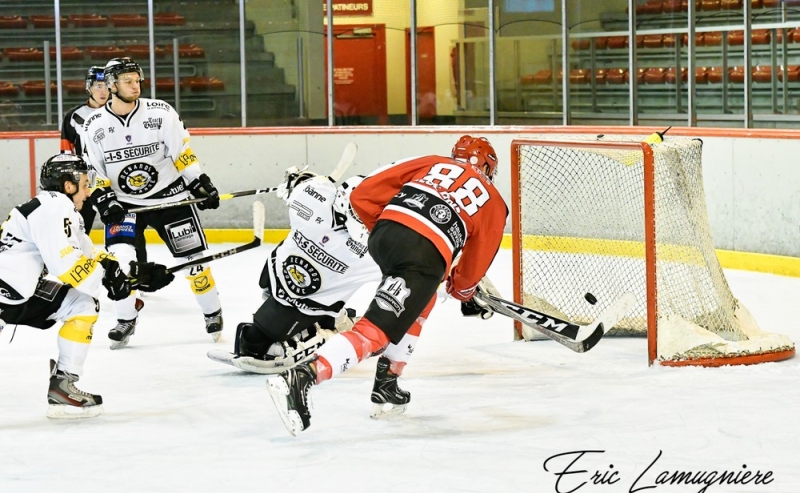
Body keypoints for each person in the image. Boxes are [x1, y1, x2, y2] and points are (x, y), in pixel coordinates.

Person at [266, 135, 508, 435]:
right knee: (374, 334)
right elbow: (476, 262)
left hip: (385, 234)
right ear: (487, 166)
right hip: (422, 255)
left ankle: (388, 382)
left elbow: (363, 194)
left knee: (423, 297)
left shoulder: (432, 162)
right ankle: (302, 377)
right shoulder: (494, 200)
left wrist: (388, 231)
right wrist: (462, 289)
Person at [210, 166, 434, 418]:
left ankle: (328, 325)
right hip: (308, 302)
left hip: (277, 281)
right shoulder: (377, 248)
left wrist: (297, 180)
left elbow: (305, 184)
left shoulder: (310, 195)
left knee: (263, 328)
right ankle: (331, 329)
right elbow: (414, 275)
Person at [0, 154, 173, 419]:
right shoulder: (54, 208)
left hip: (15, 291)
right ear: (68, 185)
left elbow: (88, 255)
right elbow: (68, 267)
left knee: (81, 305)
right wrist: (114, 281)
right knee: (82, 301)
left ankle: (63, 385)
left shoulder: (64, 210)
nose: (88, 189)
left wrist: (133, 273)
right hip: (8, 290)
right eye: (83, 182)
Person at [82, 57, 224, 349]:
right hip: (126, 206)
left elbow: (182, 152)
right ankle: (125, 319)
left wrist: (198, 181)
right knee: (120, 264)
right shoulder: (94, 124)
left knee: (194, 263)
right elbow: (93, 170)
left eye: (137, 80)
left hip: (171, 199)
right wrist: (104, 199)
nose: (136, 86)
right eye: (128, 81)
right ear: (110, 85)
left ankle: (212, 312)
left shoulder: (160, 112)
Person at [60, 66, 109, 235]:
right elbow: (66, 154)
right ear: (89, 87)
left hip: (114, 181)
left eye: (107, 86)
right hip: (86, 183)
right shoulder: (74, 116)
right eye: (98, 86)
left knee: (123, 232)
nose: (103, 92)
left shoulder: (120, 112)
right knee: (78, 231)